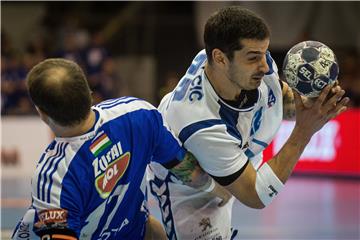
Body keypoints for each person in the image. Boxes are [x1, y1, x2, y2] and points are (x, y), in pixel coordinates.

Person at [147, 6, 349, 240]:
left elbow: (280, 97)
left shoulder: (244, 64)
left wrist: (311, 106)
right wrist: (304, 132)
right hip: (192, 187)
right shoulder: (198, 121)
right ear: (220, 59)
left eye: (265, 53)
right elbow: (256, 195)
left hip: (233, 151)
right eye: (253, 58)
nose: (265, 66)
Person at [11, 58, 228, 240]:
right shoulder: (137, 114)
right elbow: (185, 168)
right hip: (135, 231)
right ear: (88, 91)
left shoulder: (55, 177)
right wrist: (218, 190)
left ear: (41, 113)